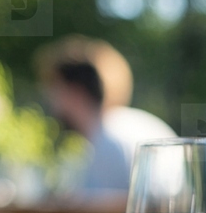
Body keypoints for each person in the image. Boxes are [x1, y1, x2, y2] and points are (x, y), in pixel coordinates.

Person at [35, 36, 175, 199]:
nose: (52, 103)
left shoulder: (109, 140)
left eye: (55, 90)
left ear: (75, 91)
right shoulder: (133, 125)